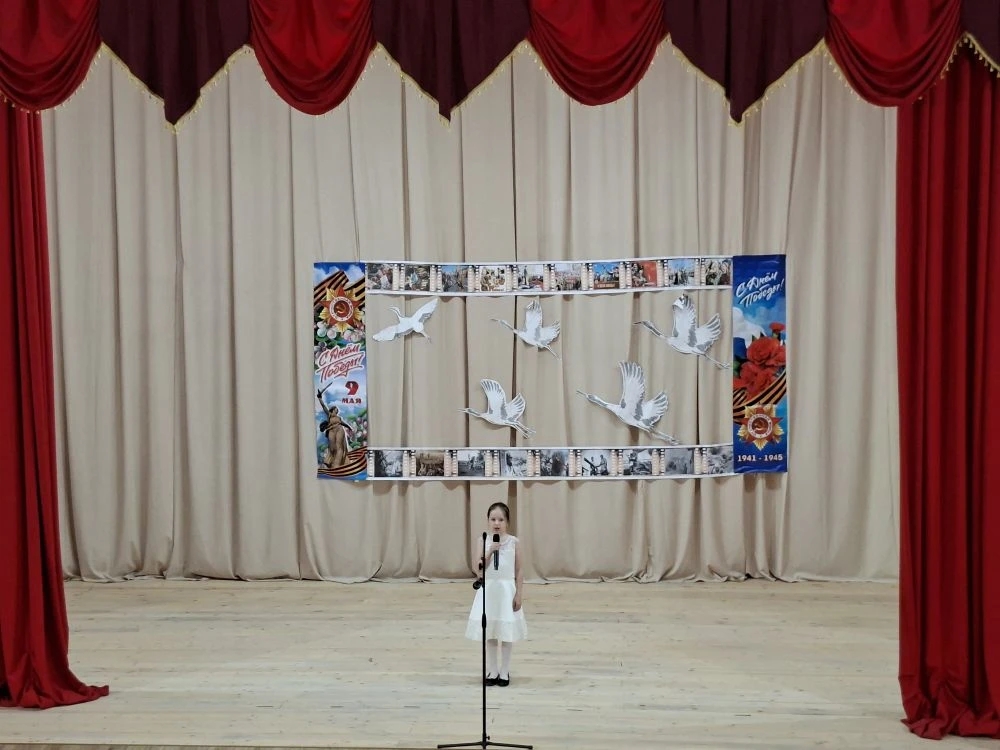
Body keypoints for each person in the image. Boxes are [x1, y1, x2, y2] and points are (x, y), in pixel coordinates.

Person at [466, 502, 526, 687]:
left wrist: (519, 594)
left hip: (507, 590)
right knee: (490, 631)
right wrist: (490, 551)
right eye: (493, 519)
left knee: (506, 632)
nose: (497, 523)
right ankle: (492, 670)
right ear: (488, 521)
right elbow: (478, 568)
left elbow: (519, 570)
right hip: (489, 590)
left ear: (507, 521)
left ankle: (505, 671)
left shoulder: (514, 542)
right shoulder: (482, 540)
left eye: (501, 519)